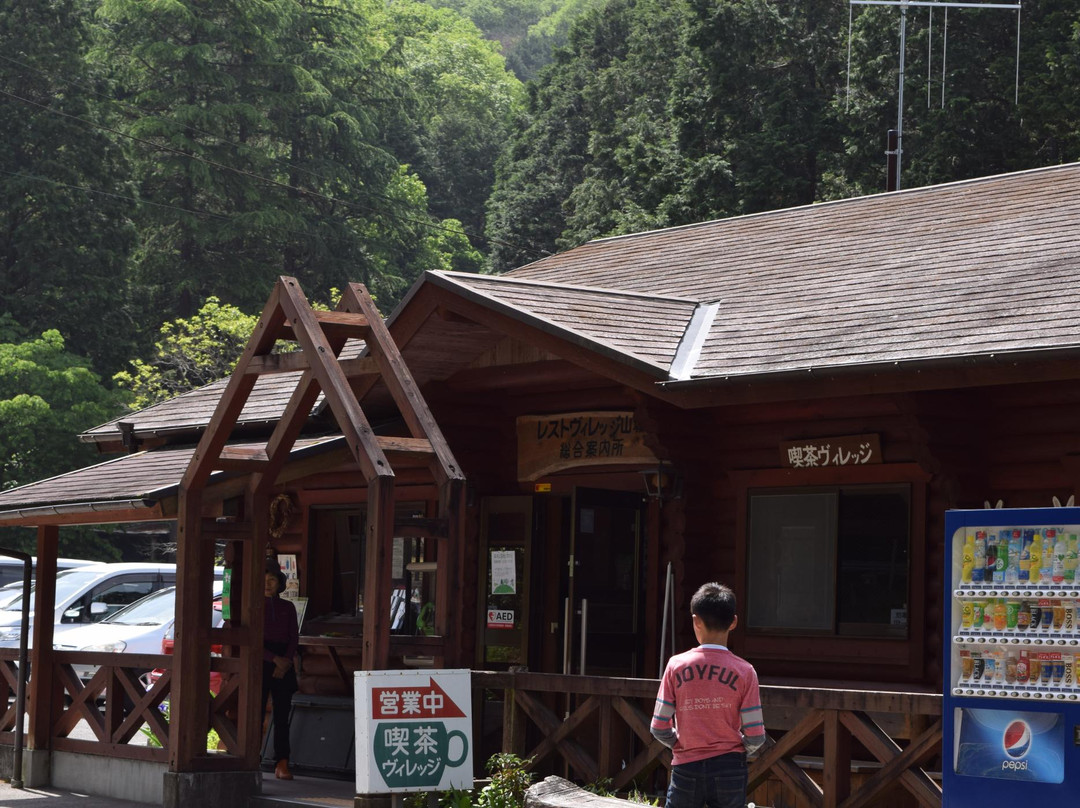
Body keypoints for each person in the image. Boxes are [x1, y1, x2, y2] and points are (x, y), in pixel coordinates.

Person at [650, 582, 765, 808]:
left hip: (686, 766)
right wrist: (736, 749)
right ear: (733, 622)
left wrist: (681, 744)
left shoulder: (676, 666)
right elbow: (756, 736)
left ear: (696, 621)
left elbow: (658, 727)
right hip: (730, 768)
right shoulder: (745, 671)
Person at [263, 563, 299, 780]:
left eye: (272, 580)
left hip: (284, 660)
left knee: (282, 714)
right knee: (255, 712)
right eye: (264, 581)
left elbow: (294, 637)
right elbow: (251, 638)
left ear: (280, 584)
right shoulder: (254, 606)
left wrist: (284, 662)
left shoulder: (287, 607)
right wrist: (273, 659)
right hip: (262, 658)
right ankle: (251, 759)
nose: (268, 585)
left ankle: (282, 762)